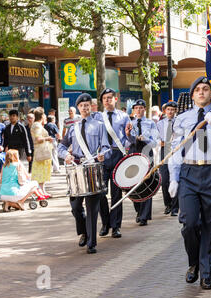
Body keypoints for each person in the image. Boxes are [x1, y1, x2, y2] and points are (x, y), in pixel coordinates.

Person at [168, 76, 211, 290]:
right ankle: (194, 263)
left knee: (210, 225)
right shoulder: (181, 119)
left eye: (205, 89)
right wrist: (173, 176)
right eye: (197, 89)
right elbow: (175, 149)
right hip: (188, 172)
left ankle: (207, 273)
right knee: (189, 223)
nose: (201, 92)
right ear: (192, 94)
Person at [58, 93, 110, 254]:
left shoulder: (99, 125)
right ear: (78, 108)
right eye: (82, 106)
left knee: (92, 208)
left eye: (87, 105)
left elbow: (106, 147)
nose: (85, 108)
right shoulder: (73, 127)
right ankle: (84, 232)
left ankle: (91, 243)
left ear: (91, 106)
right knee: (75, 206)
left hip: (93, 166)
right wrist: (65, 155)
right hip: (77, 168)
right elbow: (61, 146)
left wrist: (103, 154)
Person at [96, 88, 130, 238]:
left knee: (116, 194)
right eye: (105, 98)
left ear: (115, 99)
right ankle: (105, 223)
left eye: (110, 98)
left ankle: (116, 226)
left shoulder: (123, 116)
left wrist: (130, 135)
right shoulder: (97, 117)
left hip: (118, 154)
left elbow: (130, 139)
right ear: (102, 101)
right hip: (102, 156)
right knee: (100, 192)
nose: (107, 100)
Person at [125, 99, 159, 226]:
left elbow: (155, 143)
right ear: (133, 110)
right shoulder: (129, 123)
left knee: (146, 182)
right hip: (133, 153)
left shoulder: (151, 124)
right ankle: (138, 210)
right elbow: (126, 143)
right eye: (136, 108)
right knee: (133, 183)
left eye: (141, 108)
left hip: (146, 152)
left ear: (145, 109)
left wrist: (145, 138)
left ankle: (144, 216)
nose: (138, 110)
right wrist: (128, 135)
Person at [156, 101, 179, 217]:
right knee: (164, 180)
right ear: (165, 111)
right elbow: (155, 137)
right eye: (168, 109)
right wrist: (159, 142)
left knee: (174, 178)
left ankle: (175, 207)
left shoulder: (179, 122)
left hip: (176, 152)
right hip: (164, 151)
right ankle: (168, 204)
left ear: (176, 111)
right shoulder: (160, 124)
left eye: (173, 110)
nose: (170, 112)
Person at [30, 108, 53, 195]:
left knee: (42, 172)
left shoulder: (37, 125)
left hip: (42, 152)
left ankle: (42, 191)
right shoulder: (37, 125)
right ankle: (40, 191)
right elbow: (38, 138)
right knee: (40, 172)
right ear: (42, 116)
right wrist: (48, 138)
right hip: (41, 152)